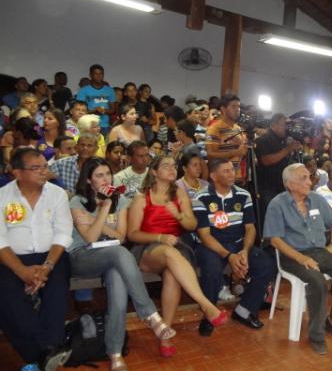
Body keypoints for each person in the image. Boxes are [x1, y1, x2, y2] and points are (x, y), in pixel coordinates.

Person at [69, 157, 176, 370]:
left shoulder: (121, 202)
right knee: (118, 253)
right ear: (89, 180)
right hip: (82, 257)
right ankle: (150, 315)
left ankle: (115, 352)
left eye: (107, 174)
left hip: (112, 256)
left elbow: (121, 236)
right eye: (99, 175)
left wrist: (97, 220)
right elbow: (89, 238)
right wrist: (102, 210)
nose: (105, 179)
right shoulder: (77, 202)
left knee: (118, 282)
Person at [127, 155, 228, 357]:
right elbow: (132, 233)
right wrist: (160, 237)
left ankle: (165, 337)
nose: (172, 169)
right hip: (147, 247)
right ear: (154, 172)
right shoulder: (141, 197)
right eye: (166, 166)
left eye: (174, 165)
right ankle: (207, 305)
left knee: (173, 275)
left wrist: (178, 215)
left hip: (177, 247)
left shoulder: (180, 194)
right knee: (168, 251)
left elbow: (191, 225)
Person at [264, 163, 332, 355]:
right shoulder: (277, 204)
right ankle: (316, 335)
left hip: (320, 253)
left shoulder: (316, 199)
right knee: (318, 281)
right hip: (291, 256)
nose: (310, 181)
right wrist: (302, 258)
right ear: (290, 184)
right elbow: (275, 240)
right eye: (304, 178)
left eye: (309, 177)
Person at [0, 148, 73, 370]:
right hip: (12, 258)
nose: (44, 172)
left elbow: (62, 233)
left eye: (45, 167)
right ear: (17, 172)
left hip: (51, 255)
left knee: (56, 289)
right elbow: (0, 240)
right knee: (6, 298)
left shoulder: (57, 194)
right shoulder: (2, 196)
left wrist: (46, 268)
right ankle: (46, 350)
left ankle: (39, 357)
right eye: (36, 168)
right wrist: (22, 271)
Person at [192, 159, 276, 336]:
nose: (233, 174)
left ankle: (244, 310)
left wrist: (244, 251)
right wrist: (229, 255)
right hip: (211, 245)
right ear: (214, 176)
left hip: (238, 243)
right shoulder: (201, 197)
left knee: (266, 264)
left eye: (233, 170)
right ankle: (209, 314)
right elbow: (205, 235)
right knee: (211, 269)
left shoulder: (243, 194)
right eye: (226, 171)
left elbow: (250, 228)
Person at [255, 113, 303, 227]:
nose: (286, 128)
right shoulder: (264, 139)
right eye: (283, 125)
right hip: (268, 187)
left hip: (283, 186)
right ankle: (269, 243)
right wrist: (288, 149)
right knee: (271, 218)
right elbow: (266, 160)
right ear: (273, 125)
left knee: (284, 218)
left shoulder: (285, 140)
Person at [206, 94, 247, 185]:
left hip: (237, 178)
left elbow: (244, 154)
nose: (237, 109)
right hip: (221, 179)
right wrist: (233, 153)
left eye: (238, 106)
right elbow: (210, 155)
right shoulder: (215, 128)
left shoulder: (239, 129)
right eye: (233, 106)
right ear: (223, 109)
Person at [76, 64, 116, 136]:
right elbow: (79, 111)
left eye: (101, 74)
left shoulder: (109, 90)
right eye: (96, 74)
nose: (99, 76)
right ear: (90, 75)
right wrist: (94, 110)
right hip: (88, 125)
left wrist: (104, 110)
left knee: (103, 146)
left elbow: (113, 109)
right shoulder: (84, 90)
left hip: (104, 126)